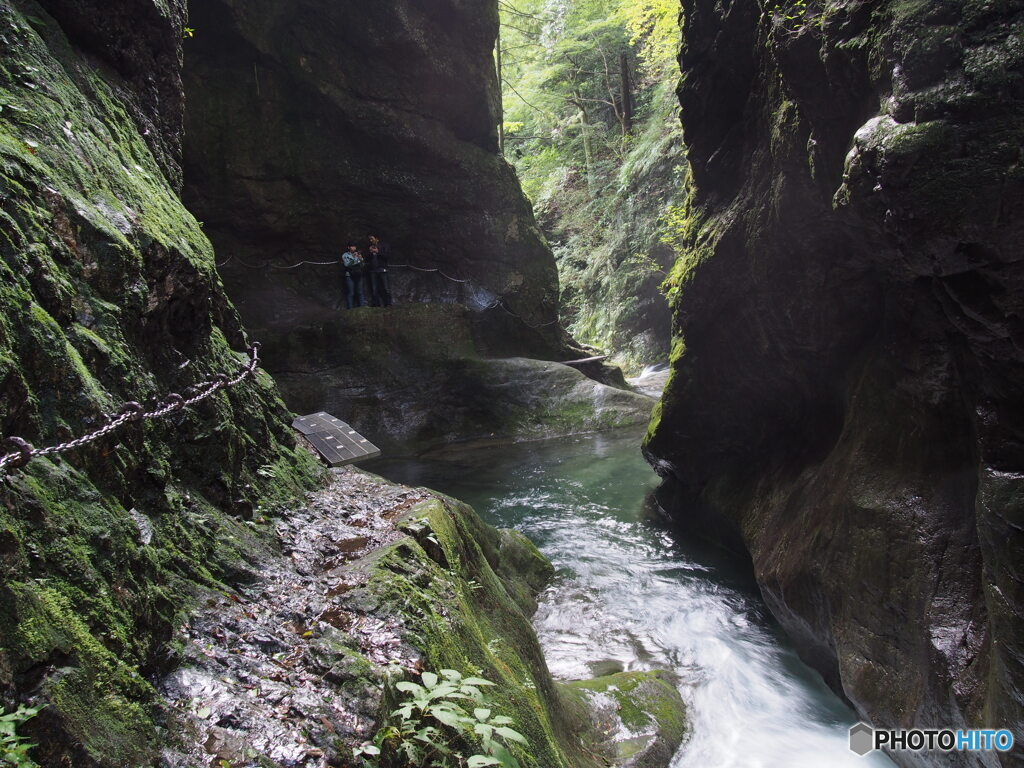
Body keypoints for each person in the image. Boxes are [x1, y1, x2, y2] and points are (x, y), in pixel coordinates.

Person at [365, 234, 392, 307]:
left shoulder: (384, 246)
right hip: (373, 270)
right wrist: (370, 253)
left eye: (372, 239)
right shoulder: (369, 247)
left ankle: (388, 304)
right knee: (374, 289)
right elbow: (366, 259)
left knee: (386, 288)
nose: (370, 240)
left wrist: (378, 252)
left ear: (377, 238)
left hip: (382, 269)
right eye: (370, 239)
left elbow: (387, 256)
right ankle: (376, 304)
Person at [341, 244, 365, 309]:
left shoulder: (358, 254)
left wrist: (360, 258)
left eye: (355, 246)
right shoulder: (345, 255)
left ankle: (363, 308)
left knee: (360, 292)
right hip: (349, 275)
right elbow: (346, 264)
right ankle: (350, 309)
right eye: (352, 246)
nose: (354, 247)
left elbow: (362, 265)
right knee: (350, 292)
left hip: (358, 275)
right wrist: (354, 258)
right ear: (348, 247)